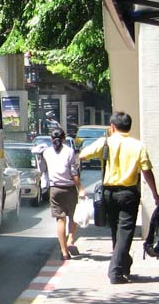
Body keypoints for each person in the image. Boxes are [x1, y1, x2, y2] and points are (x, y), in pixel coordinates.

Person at [79, 111, 159, 284]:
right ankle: (115, 271)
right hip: (128, 193)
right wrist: (155, 193)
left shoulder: (105, 142)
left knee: (117, 231)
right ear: (129, 127)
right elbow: (146, 171)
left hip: (108, 193)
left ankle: (124, 265)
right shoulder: (138, 146)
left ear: (112, 127)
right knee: (125, 232)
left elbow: (83, 154)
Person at [41, 127, 84, 260]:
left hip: (55, 189)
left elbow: (43, 169)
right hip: (69, 189)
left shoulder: (46, 152)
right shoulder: (70, 151)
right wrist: (81, 188)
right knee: (73, 217)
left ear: (51, 139)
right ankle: (71, 239)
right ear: (64, 138)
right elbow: (74, 173)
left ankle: (64, 252)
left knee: (60, 220)